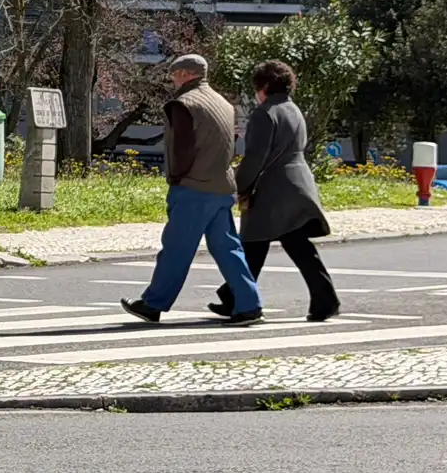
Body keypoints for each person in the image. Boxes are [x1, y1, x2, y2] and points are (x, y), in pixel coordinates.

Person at [121, 53, 264, 326]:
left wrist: (176, 176)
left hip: (193, 187)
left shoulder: (183, 104)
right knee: (228, 248)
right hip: (222, 186)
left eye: (175, 75)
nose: (174, 80)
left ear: (185, 75)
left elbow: (182, 148)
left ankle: (153, 304)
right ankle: (249, 304)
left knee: (176, 248)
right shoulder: (224, 103)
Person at [210, 59, 340, 323]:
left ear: (265, 86)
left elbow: (255, 156)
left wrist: (238, 185)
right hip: (299, 183)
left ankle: (239, 297)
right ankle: (238, 296)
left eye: (257, 86)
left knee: (255, 241)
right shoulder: (293, 109)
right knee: (290, 244)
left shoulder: (264, 113)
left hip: (273, 188)